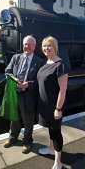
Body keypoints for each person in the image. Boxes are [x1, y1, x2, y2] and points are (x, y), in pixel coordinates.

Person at [4, 35, 44, 153]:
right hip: (15, 93)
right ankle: (12, 138)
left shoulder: (39, 62)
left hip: (28, 95)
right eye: (25, 44)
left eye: (30, 44)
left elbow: (40, 81)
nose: (27, 46)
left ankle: (27, 142)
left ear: (34, 46)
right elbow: (8, 71)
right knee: (14, 117)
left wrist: (28, 84)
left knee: (28, 120)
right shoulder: (16, 57)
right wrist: (14, 81)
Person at [37, 36, 68, 169]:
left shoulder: (60, 65)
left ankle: (58, 162)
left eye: (49, 46)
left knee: (56, 132)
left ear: (55, 47)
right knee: (50, 129)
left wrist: (58, 108)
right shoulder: (46, 63)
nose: (46, 48)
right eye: (44, 46)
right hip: (44, 105)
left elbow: (63, 90)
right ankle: (50, 148)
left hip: (54, 106)